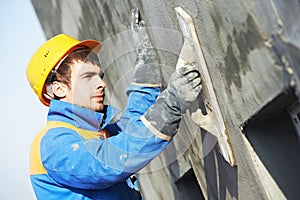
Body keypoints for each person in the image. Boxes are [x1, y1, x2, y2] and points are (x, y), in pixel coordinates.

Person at [27, 9, 202, 200]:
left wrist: (146, 61)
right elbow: (108, 161)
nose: (101, 84)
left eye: (99, 76)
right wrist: (172, 104)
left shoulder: (97, 134)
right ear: (60, 89)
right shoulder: (52, 144)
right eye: (87, 77)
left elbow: (134, 123)